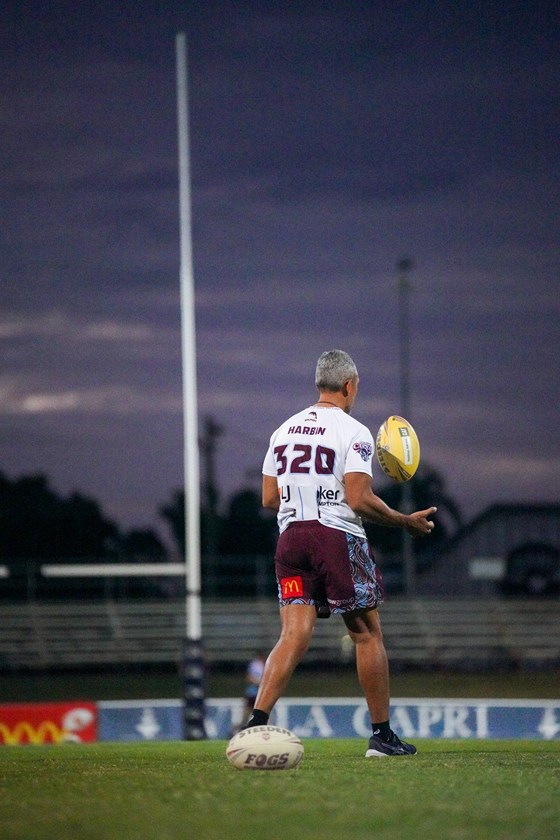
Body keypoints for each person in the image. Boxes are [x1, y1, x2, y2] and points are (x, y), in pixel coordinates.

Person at [242, 349, 437, 757]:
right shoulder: (354, 431)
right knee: (366, 633)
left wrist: (303, 505)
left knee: (293, 634)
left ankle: (254, 724)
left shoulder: (282, 430)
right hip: (334, 537)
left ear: (320, 384)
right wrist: (405, 521)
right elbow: (358, 499)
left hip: (290, 538)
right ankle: (382, 737)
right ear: (350, 385)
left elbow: (267, 497)